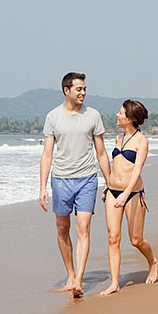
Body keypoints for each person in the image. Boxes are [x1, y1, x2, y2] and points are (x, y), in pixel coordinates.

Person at [39, 72, 110, 297]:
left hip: (88, 178)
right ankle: (70, 273)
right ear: (66, 90)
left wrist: (109, 183)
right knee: (62, 228)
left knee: (83, 228)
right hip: (60, 179)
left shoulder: (93, 115)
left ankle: (78, 280)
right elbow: (47, 154)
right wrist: (42, 186)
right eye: (79, 89)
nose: (83, 92)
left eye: (85, 89)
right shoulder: (53, 117)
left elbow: (101, 152)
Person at [100, 100, 158, 296]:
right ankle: (115, 282)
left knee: (135, 240)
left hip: (132, 193)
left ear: (130, 118)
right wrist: (108, 186)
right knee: (113, 237)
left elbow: (136, 171)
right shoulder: (118, 138)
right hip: (112, 192)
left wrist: (126, 193)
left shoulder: (141, 141)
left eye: (121, 112)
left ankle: (153, 262)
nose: (117, 115)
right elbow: (116, 166)